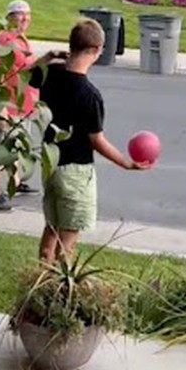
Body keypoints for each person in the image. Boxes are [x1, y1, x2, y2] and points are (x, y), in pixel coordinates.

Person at [30, 18, 151, 263]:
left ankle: (39, 280)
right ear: (97, 50)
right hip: (76, 172)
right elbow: (97, 141)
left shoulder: (50, 74)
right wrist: (126, 164)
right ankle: (62, 292)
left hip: (50, 164)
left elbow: (26, 76)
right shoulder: (90, 95)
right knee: (68, 241)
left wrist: (47, 57)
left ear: (70, 45)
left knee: (51, 229)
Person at [0, 0, 42, 211]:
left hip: (23, 104)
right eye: (20, 14)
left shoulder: (22, 40)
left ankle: (15, 183)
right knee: (1, 149)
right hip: (8, 103)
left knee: (17, 146)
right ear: (9, 17)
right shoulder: (4, 40)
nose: (25, 18)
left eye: (27, 14)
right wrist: (0, 107)